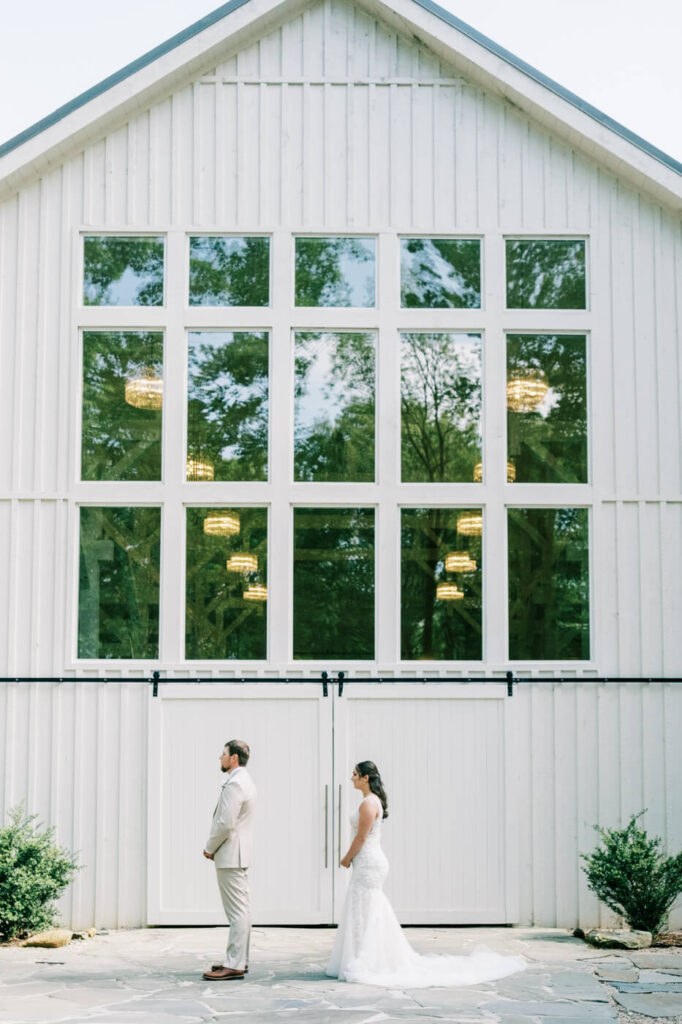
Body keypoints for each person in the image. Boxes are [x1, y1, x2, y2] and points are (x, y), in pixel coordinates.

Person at [326, 760, 526, 988]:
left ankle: (366, 959)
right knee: (365, 907)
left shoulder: (368, 804)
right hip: (369, 862)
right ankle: (364, 956)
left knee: (365, 906)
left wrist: (346, 858)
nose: (351, 777)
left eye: (355, 774)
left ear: (365, 778)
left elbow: (361, 837)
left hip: (368, 862)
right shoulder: (371, 802)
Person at [202, 739, 257, 981]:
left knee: (236, 912)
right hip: (238, 853)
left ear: (233, 757)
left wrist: (209, 847)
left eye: (223, 753)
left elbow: (225, 822)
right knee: (242, 910)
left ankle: (234, 963)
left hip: (230, 853)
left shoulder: (235, 783)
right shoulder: (244, 781)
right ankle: (239, 960)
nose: (220, 758)